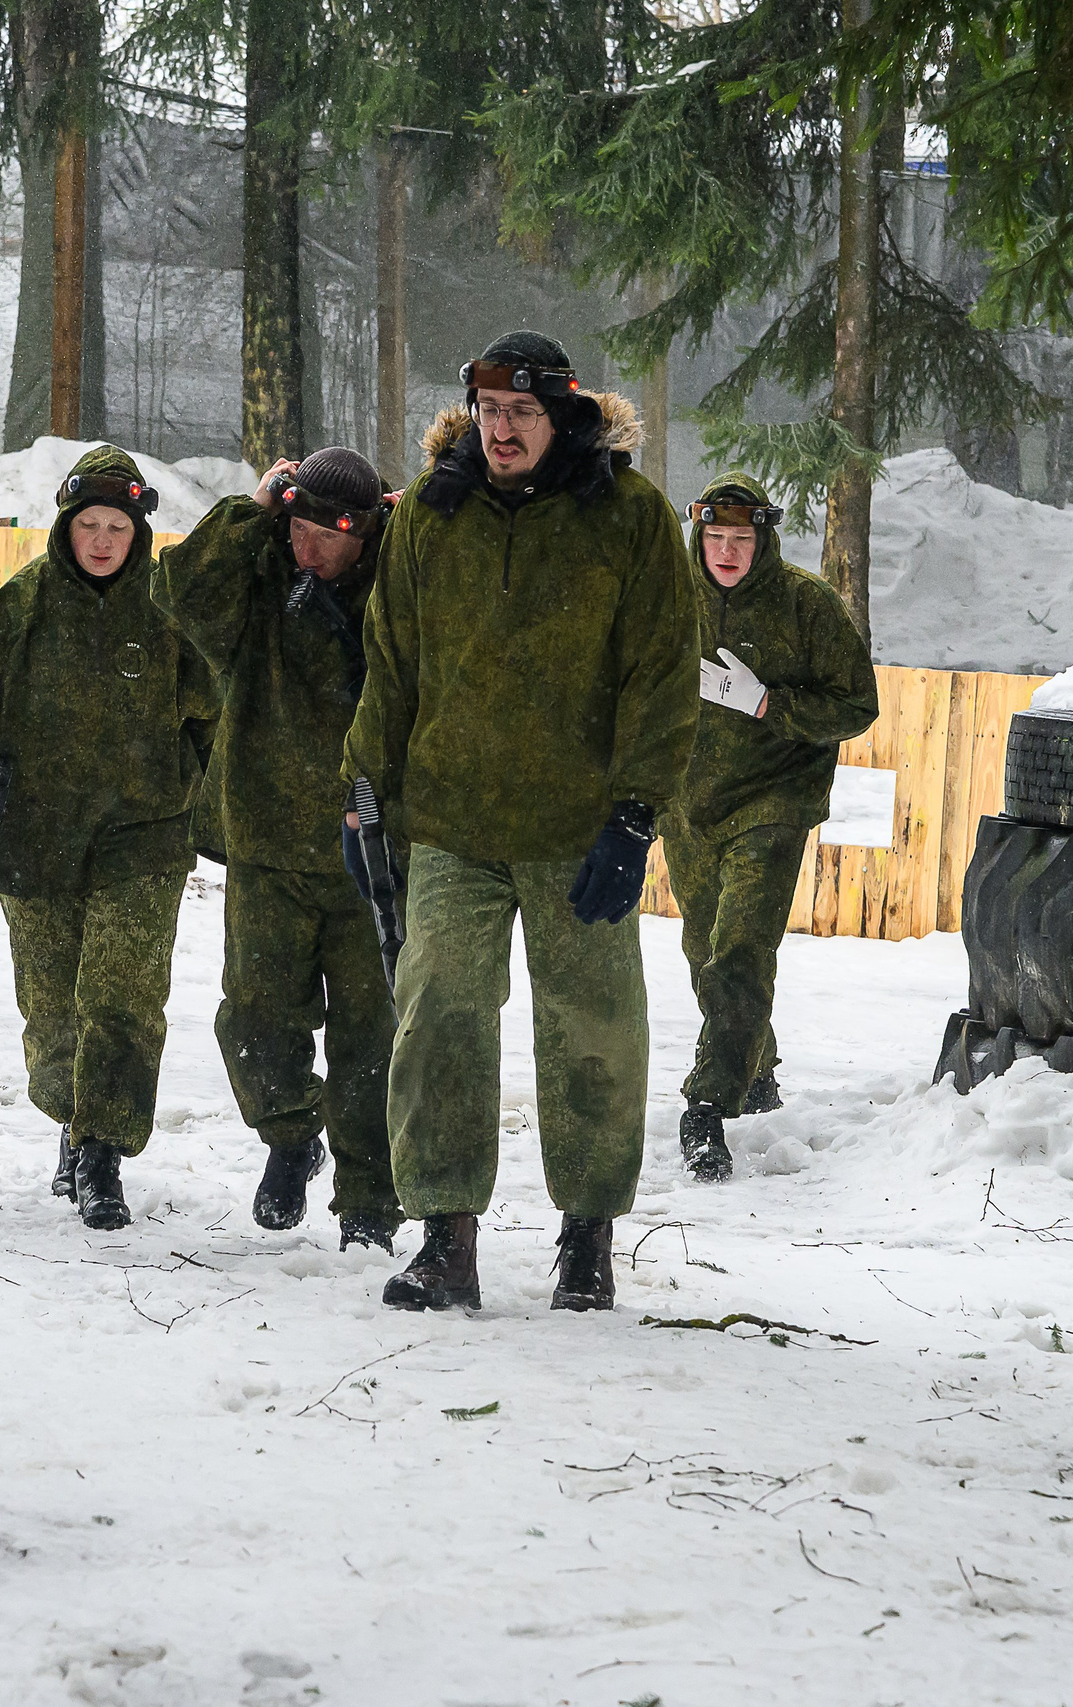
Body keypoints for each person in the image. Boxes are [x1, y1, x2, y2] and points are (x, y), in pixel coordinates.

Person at [342, 331, 700, 1314]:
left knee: (592, 1030)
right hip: (451, 817)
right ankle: (445, 1241)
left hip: (578, 827)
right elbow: (392, 659)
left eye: (524, 414)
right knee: (440, 1016)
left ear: (563, 415)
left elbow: (662, 674)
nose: (503, 431)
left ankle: (586, 1241)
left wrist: (634, 815)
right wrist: (361, 784)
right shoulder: (428, 516)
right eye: (490, 412)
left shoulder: (626, 517)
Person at [0, 445, 218, 1231]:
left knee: (120, 997)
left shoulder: (165, 609)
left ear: (139, 530)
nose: (106, 540)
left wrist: (187, 783)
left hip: (142, 839)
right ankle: (71, 1121)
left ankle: (102, 1154)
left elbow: (215, 711)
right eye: (92, 524)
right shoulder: (22, 608)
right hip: (35, 840)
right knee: (53, 1016)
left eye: (121, 525)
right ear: (67, 525)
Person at [151, 447, 403, 1250]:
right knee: (256, 1024)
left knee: (372, 1040)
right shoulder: (261, 574)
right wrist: (253, 512)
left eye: (318, 535)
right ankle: (291, 1137)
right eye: (291, 529)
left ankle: (370, 1201)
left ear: (359, 532)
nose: (303, 549)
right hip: (264, 840)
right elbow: (178, 594)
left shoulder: (399, 586)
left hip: (372, 854)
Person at [660, 473, 878, 1181]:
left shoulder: (805, 605)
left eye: (741, 539)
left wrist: (767, 706)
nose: (726, 551)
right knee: (706, 953)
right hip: (688, 804)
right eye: (715, 537)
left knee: (740, 952)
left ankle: (706, 1107)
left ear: (764, 539)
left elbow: (857, 703)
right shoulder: (670, 598)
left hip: (772, 804)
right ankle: (754, 1072)